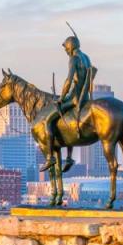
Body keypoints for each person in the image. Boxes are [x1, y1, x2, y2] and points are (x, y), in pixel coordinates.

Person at [41, 34, 95, 172]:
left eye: (66, 48)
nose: (66, 51)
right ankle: (69, 158)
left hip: (75, 98)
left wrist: (61, 97)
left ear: (70, 47)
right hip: (85, 97)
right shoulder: (86, 58)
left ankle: (50, 158)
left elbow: (69, 80)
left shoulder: (74, 59)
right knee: (66, 121)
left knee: (48, 121)